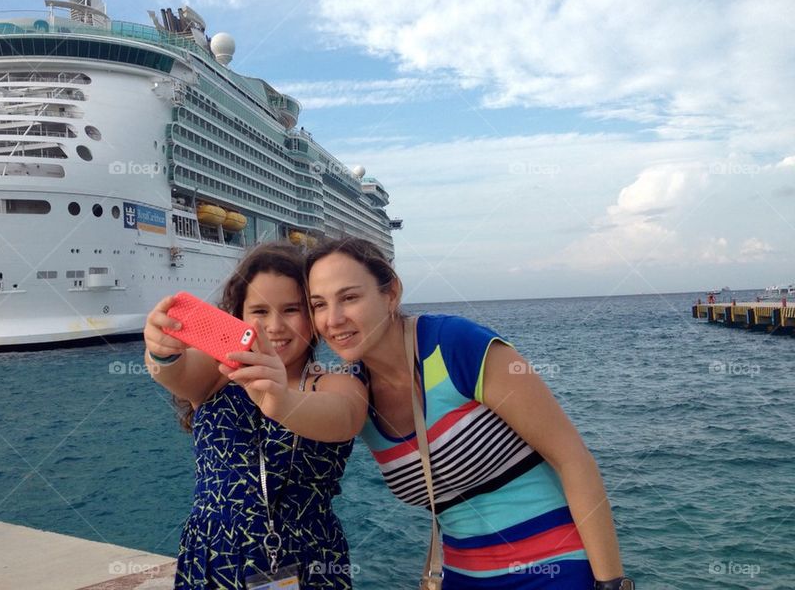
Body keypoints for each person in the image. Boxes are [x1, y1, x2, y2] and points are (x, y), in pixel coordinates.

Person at [305, 238, 633, 590]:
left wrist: (611, 584)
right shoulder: (354, 394)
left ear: (391, 293)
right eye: (318, 305)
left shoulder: (453, 345)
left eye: (349, 298)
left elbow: (572, 459)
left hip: (555, 570)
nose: (333, 319)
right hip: (461, 578)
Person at [144, 242, 368, 589]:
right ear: (239, 316)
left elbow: (344, 417)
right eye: (259, 311)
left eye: (291, 309)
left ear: (312, 316)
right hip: (211, 557)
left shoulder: (335, 384)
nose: (274, 326)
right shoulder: (218, 374)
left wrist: (278, 399)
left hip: (305, 562)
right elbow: (177, 372)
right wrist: (162, 352)